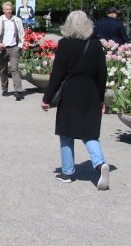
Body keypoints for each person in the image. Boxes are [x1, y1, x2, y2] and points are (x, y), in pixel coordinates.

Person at [40, 10, 110, 190]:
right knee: (90, 133)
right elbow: (102, 75)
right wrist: (101, 99)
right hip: (91, 91)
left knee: (66, 132)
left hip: (71, 90)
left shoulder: (65, 44)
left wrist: (47, 98)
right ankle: (100, 163)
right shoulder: (96, 45)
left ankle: (67, 172)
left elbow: (57, 74)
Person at [0, 1, 26, 100]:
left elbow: (22, 34)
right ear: (3, 10)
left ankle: (18, 91)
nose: (9, 11)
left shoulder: (17, 20)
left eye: (10, 9)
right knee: (3, 69)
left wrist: (19, 46)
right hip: (3, 48)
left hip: (14, 48)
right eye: (7, 9)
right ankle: (4, 88)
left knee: (14, 69)